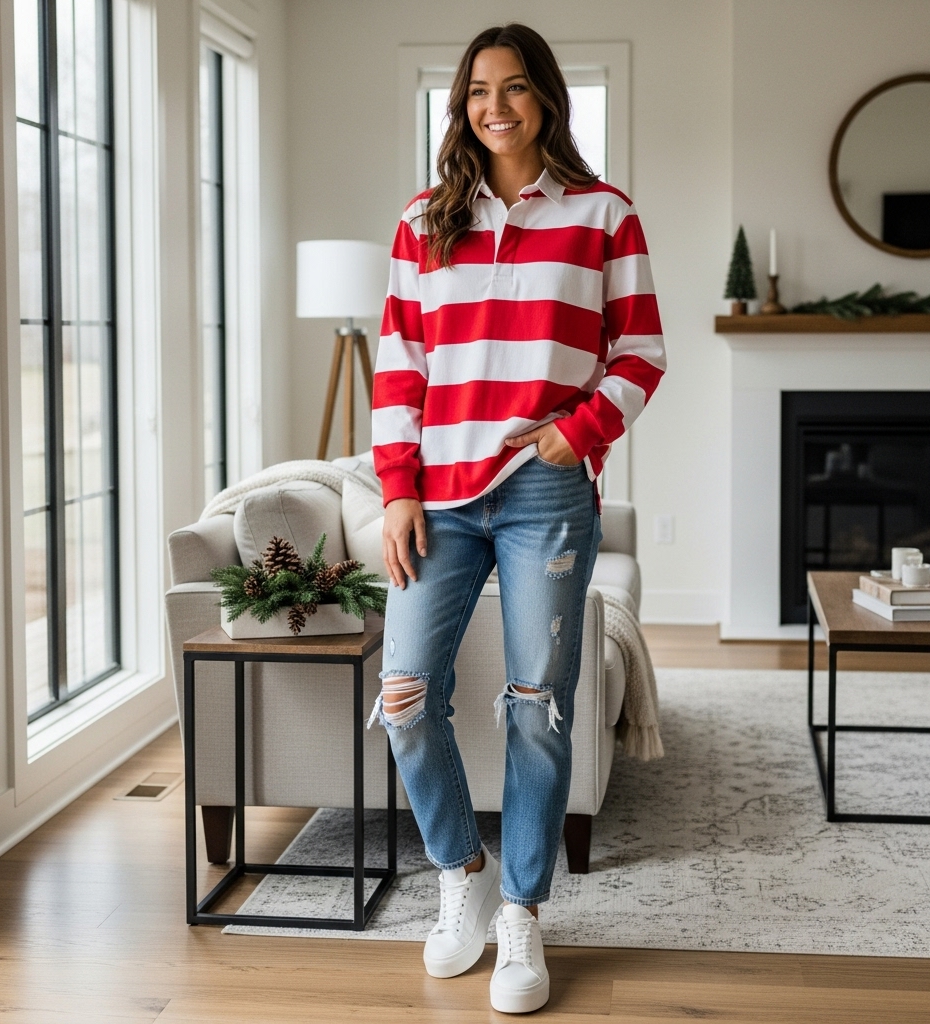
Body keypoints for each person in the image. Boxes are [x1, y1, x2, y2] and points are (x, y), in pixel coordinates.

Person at [369, 22, 665, 1014]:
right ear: (461, 106)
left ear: (543, 98)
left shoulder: (602, 215)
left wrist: (571, 433)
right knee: (407, 692)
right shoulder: (424, 221)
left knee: (537, 708)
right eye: (476, 91)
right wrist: (397, 485)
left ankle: (523, 913)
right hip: (438, 494)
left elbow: (641, 355)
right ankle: (462, 878)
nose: (493, 106)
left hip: (545, 490)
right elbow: (400, 367)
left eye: (513, 88)